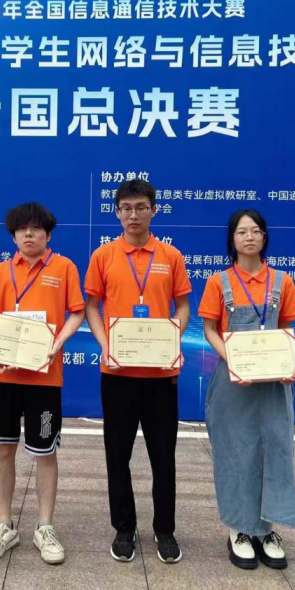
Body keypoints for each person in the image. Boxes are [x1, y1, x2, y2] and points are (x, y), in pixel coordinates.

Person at [84, 179, 191, 564]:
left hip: (161, 375)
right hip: (117, 374)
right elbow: (92, 306)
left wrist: (172, 338)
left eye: (141, 207)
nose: (133, 215)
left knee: (164, 457)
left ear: (154, 210)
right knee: (118, 455)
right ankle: (124, 528)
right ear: (116, 212)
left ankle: (165, 529)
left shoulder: (171, 256)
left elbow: (183, 306)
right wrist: (105, 344)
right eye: (126, 208)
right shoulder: (104, 256)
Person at [0, 202, 85, 565]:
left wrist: (58, 342)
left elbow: (77, 312)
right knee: (3, 450)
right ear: (13, 236)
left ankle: (45, 527)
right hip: (4, 376)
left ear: (48, 235)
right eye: (22, 230)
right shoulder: (0, 271)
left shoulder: (64, 268)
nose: (28, 235)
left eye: (36, 229)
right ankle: (4, 526)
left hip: (45, 377)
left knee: (45, 452)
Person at [198, 209, 295, 570]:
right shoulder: (219, 283)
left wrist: (289, 365)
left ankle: (268, 530)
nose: (249, 237)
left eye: (256, 231)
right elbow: (209, 329)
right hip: (233, 382)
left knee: (275, 451)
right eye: (242, 232)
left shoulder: (282, 282)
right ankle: (239, 529)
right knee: (235, 453)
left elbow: (287, 330)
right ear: (232, 239)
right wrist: (234, 359)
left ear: (264, 237)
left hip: (274, 385)